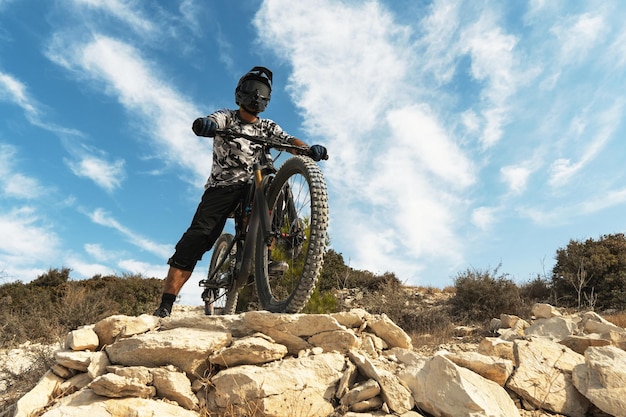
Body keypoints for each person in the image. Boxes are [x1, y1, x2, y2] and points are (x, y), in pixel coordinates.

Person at [153, 66, 327, 317]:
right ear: (241, 93)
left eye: (262, 91)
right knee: (198, 237)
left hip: (254, 185)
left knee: (274, 180)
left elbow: (289, 141)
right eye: (253, 89)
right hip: (223, 186)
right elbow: (213, 121)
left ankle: (268, 252)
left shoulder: (267, 126)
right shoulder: (227, 117)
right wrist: (206, 125)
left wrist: (308, 149)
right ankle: (166, 304)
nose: (257, 95)